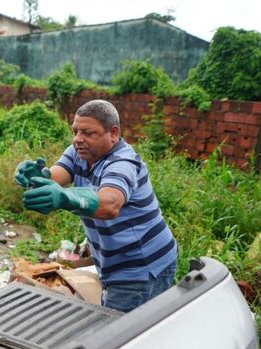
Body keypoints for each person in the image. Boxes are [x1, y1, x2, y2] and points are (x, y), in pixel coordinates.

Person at [14, 99, 177, 312]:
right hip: (113, 264)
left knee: (120, 335)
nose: (78, 140)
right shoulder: (80, 153)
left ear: (113, 133)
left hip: (141, 266)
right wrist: (37, 178)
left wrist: (64, 198)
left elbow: (110, 204)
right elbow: (56, 176)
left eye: (88, 133)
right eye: (75, 132)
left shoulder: (123, 163)